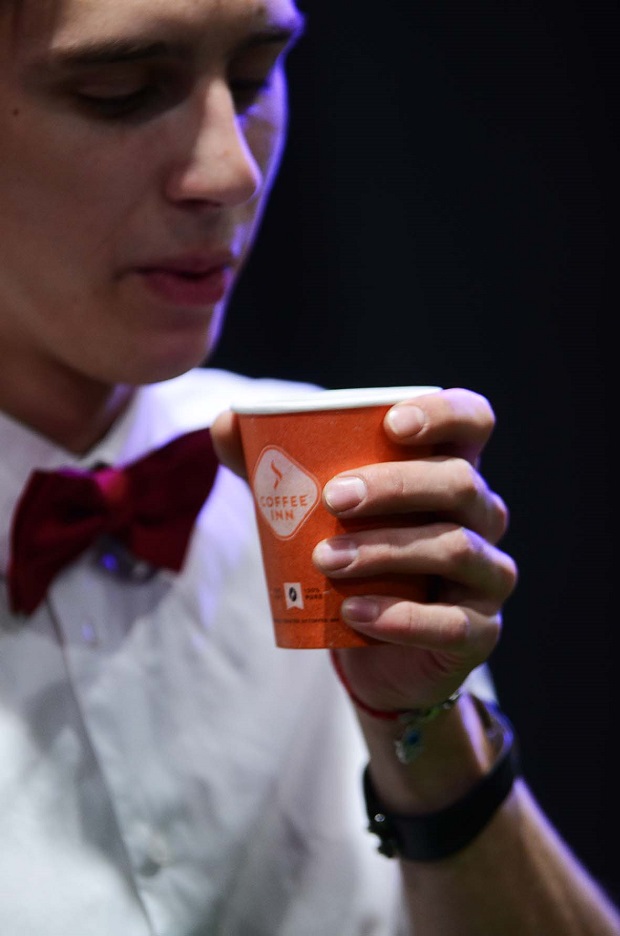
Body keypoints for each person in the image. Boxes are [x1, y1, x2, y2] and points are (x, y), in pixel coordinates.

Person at [0, 0, 617, 933]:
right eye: (118, 92)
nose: (233, 171)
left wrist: (426, 737)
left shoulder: (328, 467)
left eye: (254, 78)